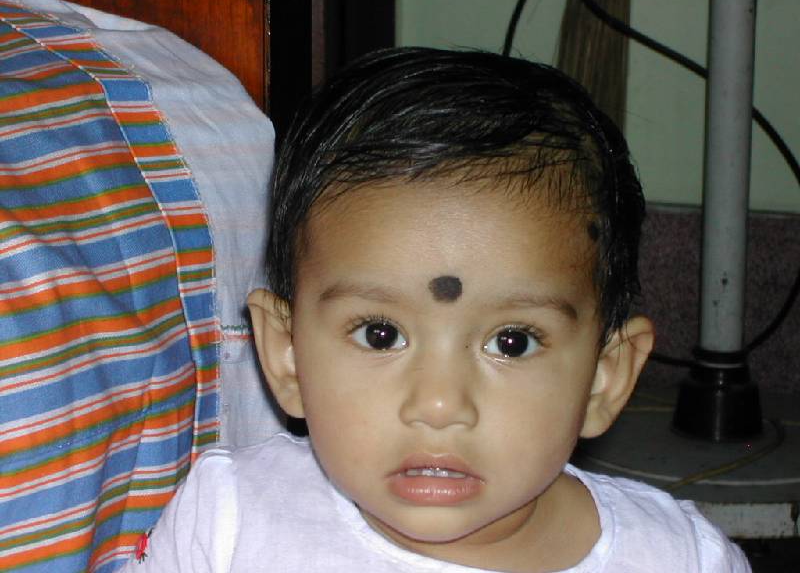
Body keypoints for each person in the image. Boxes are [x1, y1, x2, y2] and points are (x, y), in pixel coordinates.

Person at [120, 47, 751, 572]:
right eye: (380, 334)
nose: (440, 405)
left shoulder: (678, 559)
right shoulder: (229, 524)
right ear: (286, 353)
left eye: (511, 342)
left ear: (603, 378)